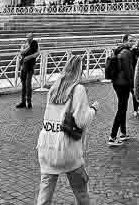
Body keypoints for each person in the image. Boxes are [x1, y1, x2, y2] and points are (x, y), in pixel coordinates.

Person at [37, 53, 99, 205]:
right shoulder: (78, 89)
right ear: (80, 71)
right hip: (67, 146)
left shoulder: (53, 88)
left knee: (45, 193)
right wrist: (93, 109)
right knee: (81, 191)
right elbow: (81, 121)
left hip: (47, 144)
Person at [107, 34, 136, 146]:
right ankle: (112, 136)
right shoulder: (127, 53)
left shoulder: (118, 50)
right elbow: (129, 70)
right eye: (130, 40)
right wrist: (133, 85)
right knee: (121, 109)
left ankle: (123, 133)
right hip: (123, 83)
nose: (132, 42)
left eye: (133, 40)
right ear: (124, 41)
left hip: (116, 82)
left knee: (122, 107)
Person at [17, 34, 40, 109]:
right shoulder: (24, 45)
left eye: (30, 37)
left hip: (30, 67)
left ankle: (29, 102)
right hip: (23, 66)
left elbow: (37, 54)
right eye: (27, 37)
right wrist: (29, 47)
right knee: (23, 85)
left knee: (28, 84)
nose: (28, 38)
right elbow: (21, 52)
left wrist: (29, 57)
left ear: (32, 38)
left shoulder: (35, 44)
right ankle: (23, 102)